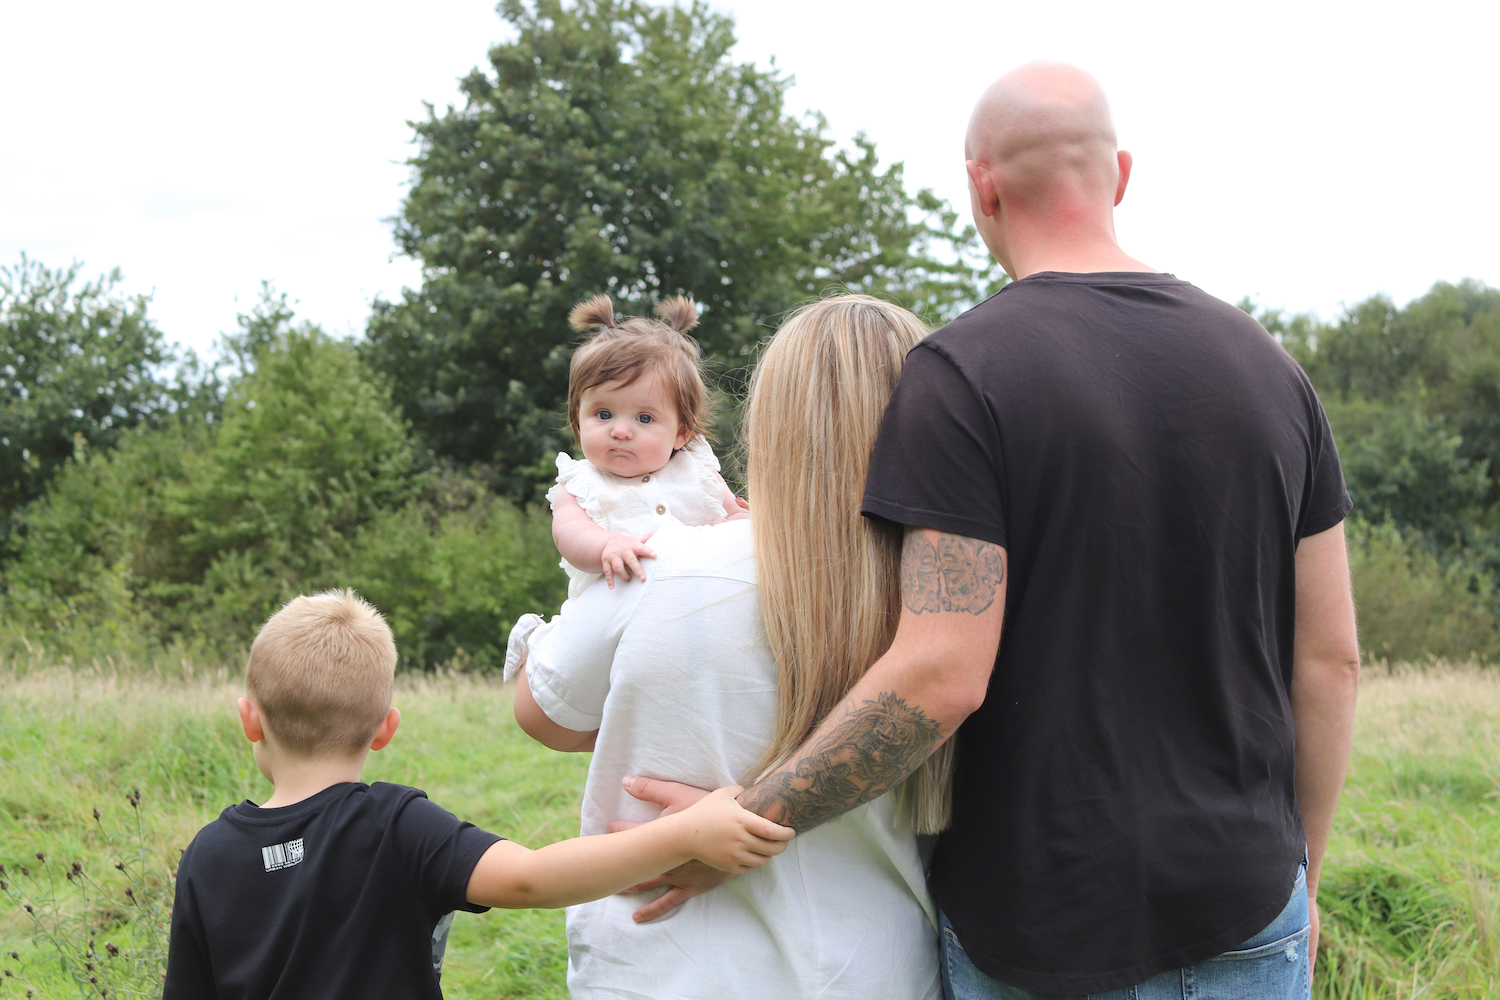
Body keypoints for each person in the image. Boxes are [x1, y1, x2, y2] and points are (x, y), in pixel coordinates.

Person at [645, 62, 1360, 999]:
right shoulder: (1272, 371)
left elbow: (941, 673)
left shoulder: (963, 373)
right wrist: (1299, 875)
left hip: (1040, 924)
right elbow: (1331, 658)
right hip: (1248, 902)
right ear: (1121, 175)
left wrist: (742, 826)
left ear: (981, 186)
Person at [509, 296, 948, 999]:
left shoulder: (664, 564)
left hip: (681, 966)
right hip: (881, 963)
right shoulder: (953, 593)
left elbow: (545, 714)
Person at [162, 589, 792, 1000]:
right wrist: (684, 833)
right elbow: (531, 878)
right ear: (386, 730)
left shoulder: (207, 856)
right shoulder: (395, 825)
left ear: (249, 719)